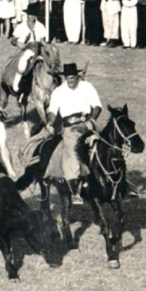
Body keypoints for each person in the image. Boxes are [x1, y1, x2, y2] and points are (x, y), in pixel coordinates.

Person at [45, 63, 102, 205]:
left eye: (72, 77)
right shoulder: (58, 92)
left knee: (107, 147)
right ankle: (76, 190)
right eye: (67, 78)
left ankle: (119, 184)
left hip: (87, 123)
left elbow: (97, 106)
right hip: (70, 129)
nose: (70, 80)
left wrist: (91, 120)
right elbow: (52, 111)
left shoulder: (87, 86)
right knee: (74, 152)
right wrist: (50, 123)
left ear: (77, 76)